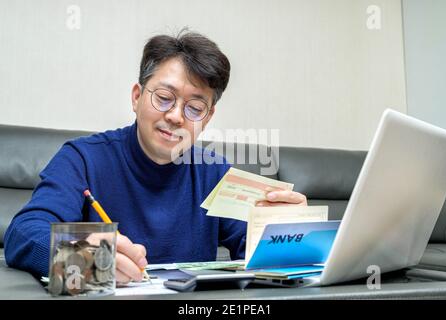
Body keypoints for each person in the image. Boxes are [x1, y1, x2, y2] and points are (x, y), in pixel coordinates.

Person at [4, 30, 307, 284]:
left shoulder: (214, 173)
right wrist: (82, 257)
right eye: (164, 98)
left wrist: (291, 233)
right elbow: (24, 233)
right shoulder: (82, 158)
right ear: (137, 97)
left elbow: (257, 252)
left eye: (194, 108)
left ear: (208, 116)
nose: (176, 116)